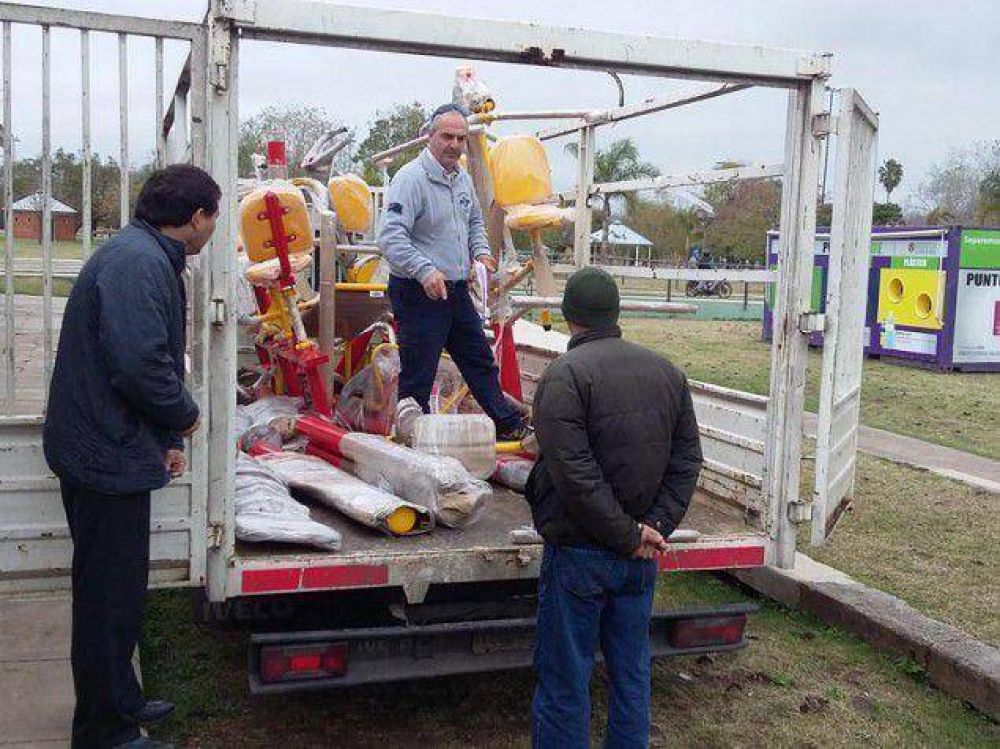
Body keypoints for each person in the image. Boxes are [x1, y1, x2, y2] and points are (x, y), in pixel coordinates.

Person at [43, 165, 220, 749]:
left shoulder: (144, 255)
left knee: (118, 593)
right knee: (106, 600)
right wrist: (184, 418)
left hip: (112, 448)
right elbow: (142, 366)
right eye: (214, 217)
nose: (212, 228)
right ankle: (105, 732)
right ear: (197, 218)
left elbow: (144, 360)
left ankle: (120, 697)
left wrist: (163, 443)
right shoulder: (137, 264)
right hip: (103, 457)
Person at [526, 266, 703, 748]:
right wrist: (654, 526)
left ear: (568, 317)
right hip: (639, 557)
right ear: (615, 313)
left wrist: (628, 533)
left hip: (580, 556)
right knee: (631, 676)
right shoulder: (668, 372)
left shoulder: (564, 376)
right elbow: (688, 459)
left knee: (566, 681)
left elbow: (574, 476)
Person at [377, 102, 529, 441]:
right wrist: (424, 270)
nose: (455, 145)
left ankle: (506, 424)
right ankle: (414, 439)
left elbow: (474, 221)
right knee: (419, 371)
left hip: (456, 290)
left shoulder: (461, 180)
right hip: (418, 292)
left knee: (478, 359)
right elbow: (389, 236)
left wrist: (483, 252)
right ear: (430, 137)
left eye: (461, 138)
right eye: (447, 136)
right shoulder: (410, 179)